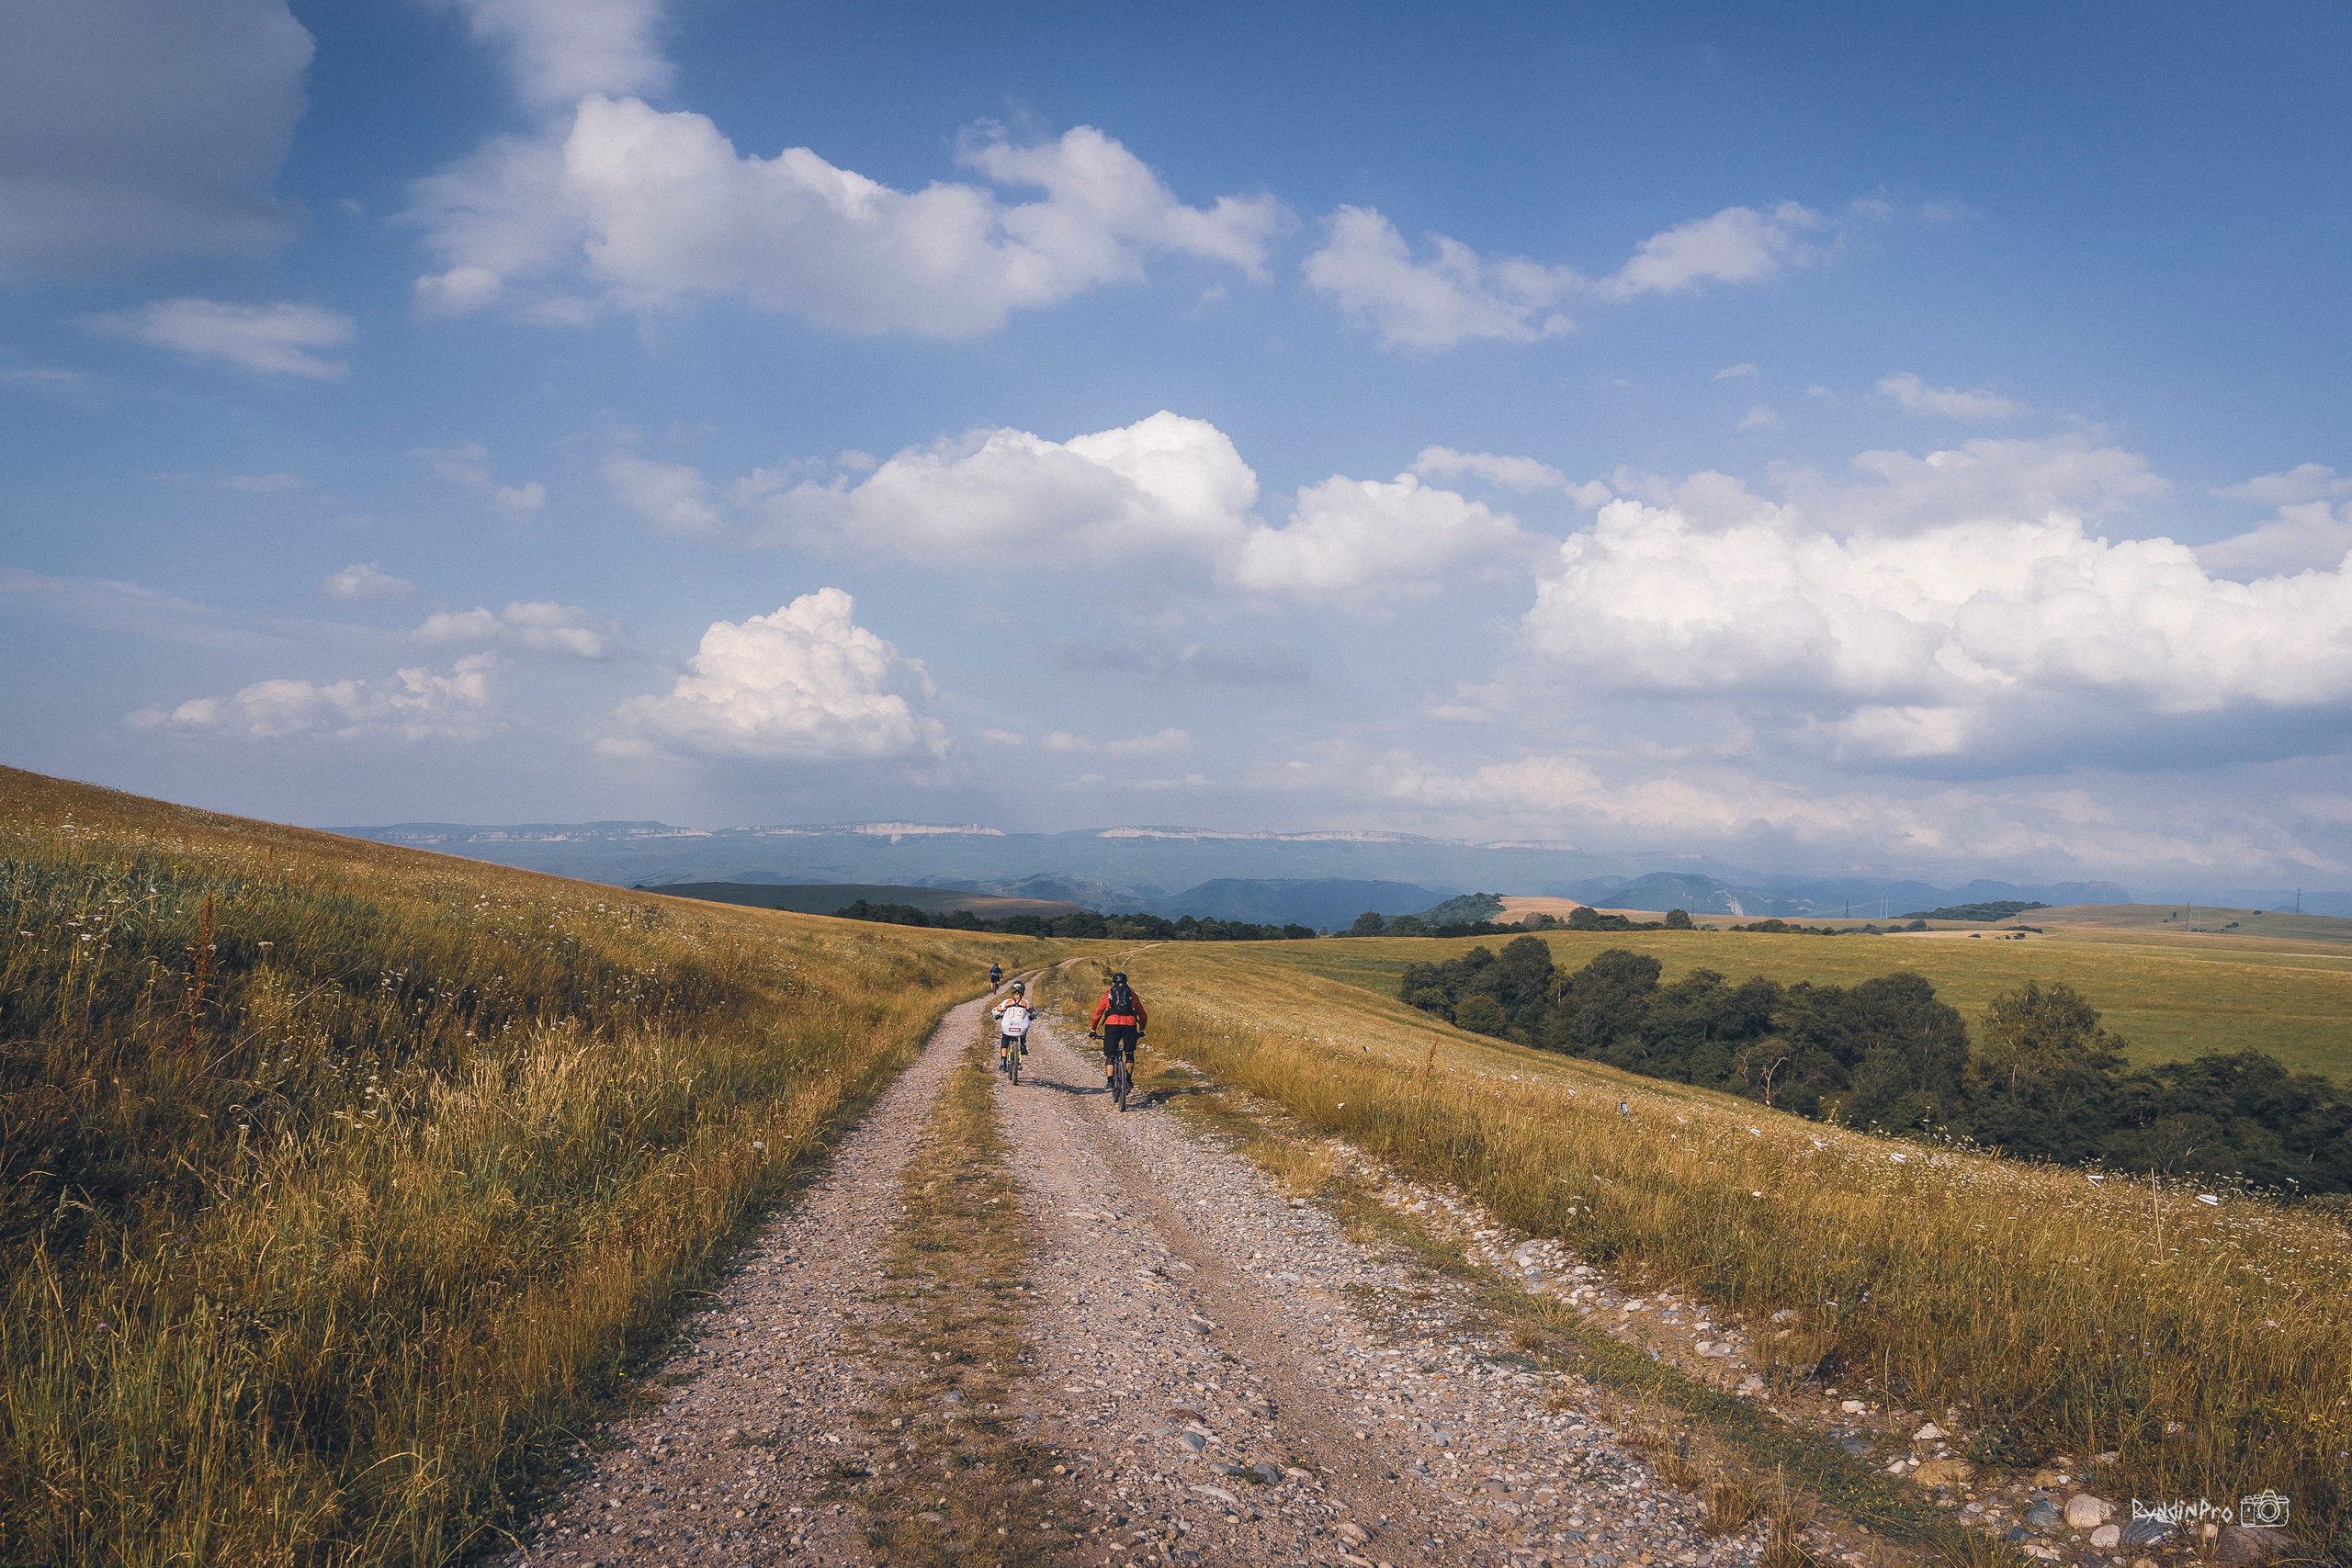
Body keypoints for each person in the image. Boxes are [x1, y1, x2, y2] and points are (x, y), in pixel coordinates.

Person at [1088, 970, 1147, 1085]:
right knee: (1129, 1053)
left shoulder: (1108, 994)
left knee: (1111, 1054)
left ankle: (1110, 1081)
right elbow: (1143, 1014)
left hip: (1112, 1024)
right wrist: (1142, 1029)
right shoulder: (1132, 994)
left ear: (1113, 982)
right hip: (1130, 1024)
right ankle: (1128, 1080)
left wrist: (1093, 1030)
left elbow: (1097, 1014)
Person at [991, 980, 1033, 1066]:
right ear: (1023, 991)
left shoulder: (1007, 1002)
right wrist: (1032, 1017)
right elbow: (1034, 1012)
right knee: (1024, 1028)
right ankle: (1022, 1044)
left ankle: (1003, 1064)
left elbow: (996, 1011)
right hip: (1021, 1028)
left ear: (1012, 991)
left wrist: (996, 1016)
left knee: (1004, 1043)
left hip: (1008, 1028)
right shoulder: (1026, 1003)